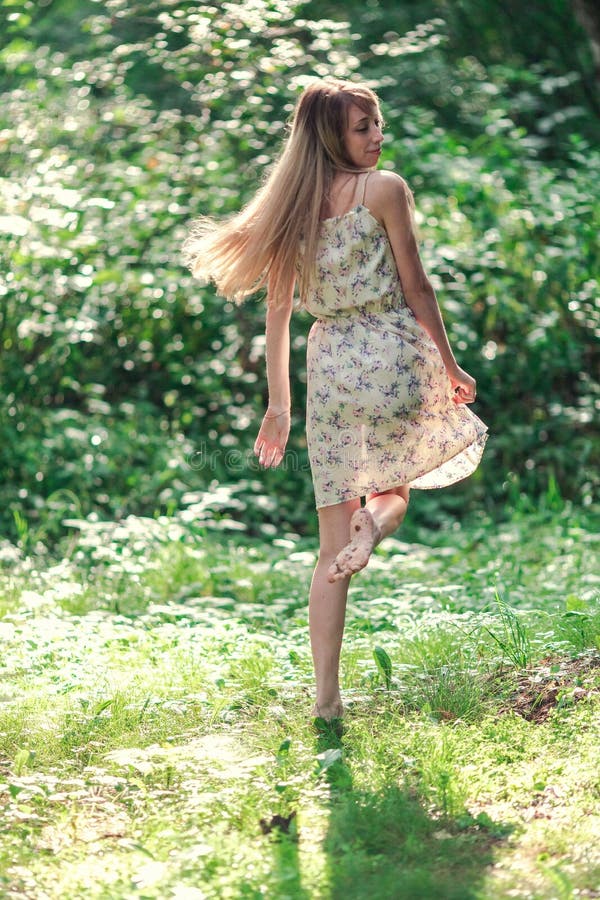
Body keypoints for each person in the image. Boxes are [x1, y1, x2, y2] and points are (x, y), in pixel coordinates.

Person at [183, 78, 487, 724]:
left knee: (328, 554)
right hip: (394, 352)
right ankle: (372, 529)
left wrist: (278, 406)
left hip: (331, 369)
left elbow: (278, 314)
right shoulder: (384, 190)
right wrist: (452, 364)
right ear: (331, 136)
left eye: (377, 123)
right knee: (393, 492)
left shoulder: (289, 209)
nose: (377, 137)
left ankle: (325, 702)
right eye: (362, 127)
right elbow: (418, 285)